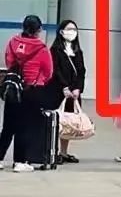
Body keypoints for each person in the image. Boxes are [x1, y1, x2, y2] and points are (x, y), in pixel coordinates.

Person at [0, 15, 54, 172]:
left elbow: (9, 62)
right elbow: (48, 71)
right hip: (31, 90)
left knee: (8, 126)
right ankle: (20, 161)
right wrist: (38, 80)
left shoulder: (13, 42)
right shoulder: (41, 48)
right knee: (24, 127)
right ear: (39, 30)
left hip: (13, 88)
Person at [46, 19, 86, 165]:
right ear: (61, 31)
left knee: (68, 122)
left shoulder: (77, 51)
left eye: (74, 29)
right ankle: (52, 150)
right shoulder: (55, 50)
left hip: (73, 93)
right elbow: (55, 70)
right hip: (57, 91)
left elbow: (81, 71)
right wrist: (64, 87)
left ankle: (63, 152)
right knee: (56, 121)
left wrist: (78, 88)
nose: (72, 32)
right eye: (69, 29)